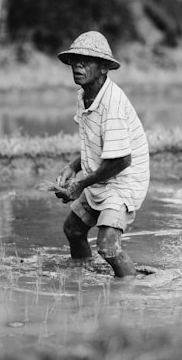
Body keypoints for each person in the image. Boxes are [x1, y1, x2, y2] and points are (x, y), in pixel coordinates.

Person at [54, 31, 150, 277]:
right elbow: (93, 142)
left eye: (86, 60)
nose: (78, 65)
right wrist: (73, 167)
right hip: (101, 176)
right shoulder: (85, 94)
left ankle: (131, 290)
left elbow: (121, 160)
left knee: (108, 247)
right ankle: (82, 277)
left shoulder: (112, 105)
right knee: (73, 230)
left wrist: (79, 185)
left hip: (122, 181)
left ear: (104, 67)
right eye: (75, 60)